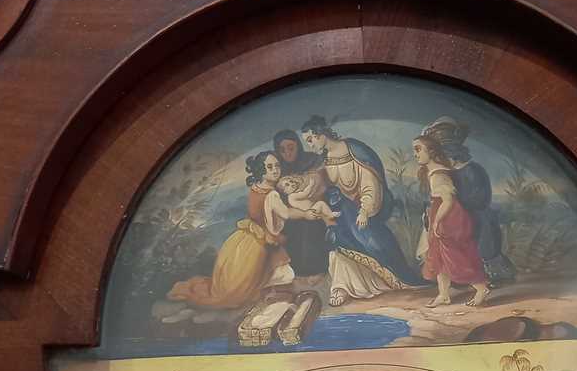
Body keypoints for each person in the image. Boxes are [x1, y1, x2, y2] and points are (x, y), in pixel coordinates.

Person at [300, 115, 422, 305]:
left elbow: (370, 184)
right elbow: (321, 186)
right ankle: (342, 288)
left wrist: (365, 210)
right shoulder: (324, 159)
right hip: (340, 215)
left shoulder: (355, 150)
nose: (309, 146)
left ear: (321, 134)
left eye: (310, 140)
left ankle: (383, 282)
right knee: (336, 246)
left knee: (374, 243)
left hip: (363, 212)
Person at [166, 150, 294, 309]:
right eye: (269, 167)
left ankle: (268, 293)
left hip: (248, 236)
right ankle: (268, 295)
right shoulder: (272, 194)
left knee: (272, 275)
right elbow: (287, 214)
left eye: (277, 165)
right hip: (259, 240)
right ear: (261, 170)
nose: (275, 170)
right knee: (260, 280)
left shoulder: (256, 187)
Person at [420, 117, 516, 286]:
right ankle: (455, 275)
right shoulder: (442, 173)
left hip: (474, 213)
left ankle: (491, 273)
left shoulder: (472, 170)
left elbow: (481, 199)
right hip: (450, 215)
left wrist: (457, 205)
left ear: (455, 153)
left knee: (481, 230)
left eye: (446, 155)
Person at [413, 132, 489, 307]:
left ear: (431, 151)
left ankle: (481, 287)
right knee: (438, 255)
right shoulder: (433, 171)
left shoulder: (438, 173)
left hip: (448, 216)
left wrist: (438, 222)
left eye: (418, 149)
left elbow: (448, 200)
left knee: (454, 256)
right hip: (440, 213)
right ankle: (444, 294)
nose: (415, 154)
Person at [273, 128, 330, 277]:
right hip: (291, 214)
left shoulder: (312, 160)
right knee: (291, 229)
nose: (287, 153)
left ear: (298, 145)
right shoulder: (278, 170)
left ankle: (318, 269)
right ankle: (298, 272)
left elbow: (322, 186)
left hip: (316, 206)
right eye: (282, 150)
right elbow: (278, 200)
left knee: (311, 225)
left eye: (291, 148)